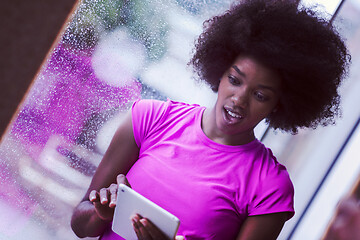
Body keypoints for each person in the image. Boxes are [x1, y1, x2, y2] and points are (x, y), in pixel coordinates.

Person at [71, 0, 350, 239]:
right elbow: (80, 224)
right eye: (234, 80)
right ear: (220, 70)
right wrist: (101, 214)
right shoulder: (150, 118)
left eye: (261, 95)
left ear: (280, 105)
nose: (239, 99)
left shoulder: (269, 187)